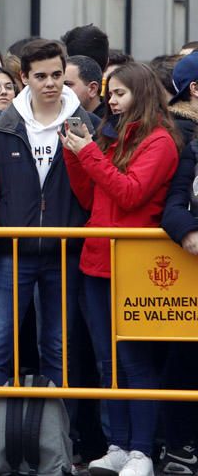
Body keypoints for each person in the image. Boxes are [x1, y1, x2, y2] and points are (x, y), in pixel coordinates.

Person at [0, 40, 98, 476]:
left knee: (59, 349)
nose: (51, 83)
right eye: (41, 76)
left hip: (62, 252)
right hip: (11, 251)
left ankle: (60, 443)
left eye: (57, 74)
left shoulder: (86, 123)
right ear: (25, 78)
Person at [61, 62, 180, 476]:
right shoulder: (112, 137)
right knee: (107, 362)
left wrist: (88, 152)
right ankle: (119, 444)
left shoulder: (161, 141)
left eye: (120, 94)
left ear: (142, 95)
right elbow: (91, 195)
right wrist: (76, 155)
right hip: (97, 258)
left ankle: (142, 451)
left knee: (135, 362)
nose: (111, 100)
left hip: (133, 261)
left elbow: (129, 194)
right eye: (111, 93)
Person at [160, 52, 198, 476]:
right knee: (183, 361)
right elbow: (171, 206)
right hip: (187, 277)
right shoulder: (189, 142)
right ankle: (179, 448)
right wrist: (188, 231)